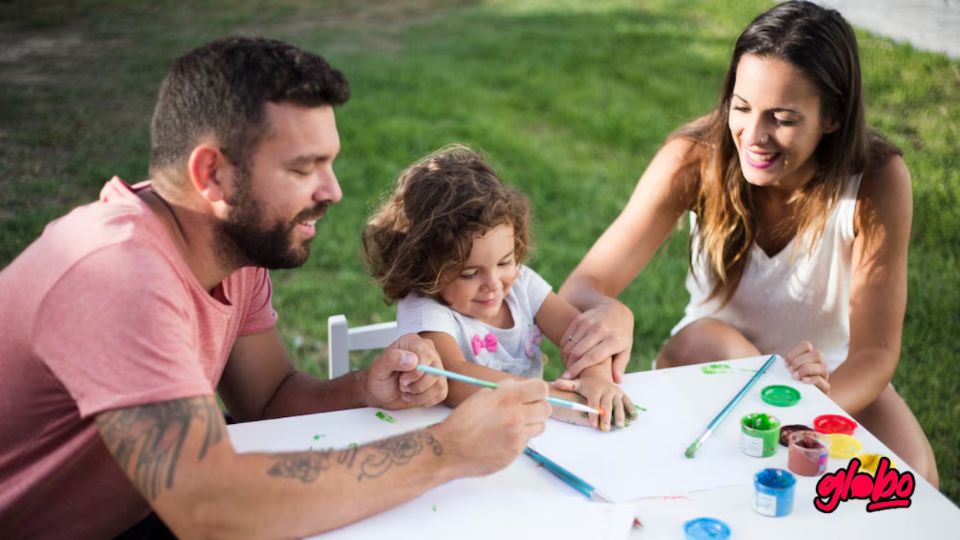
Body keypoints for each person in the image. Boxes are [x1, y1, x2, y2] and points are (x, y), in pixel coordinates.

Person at [0, 37, 552, 538]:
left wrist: (367, 387)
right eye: (304, 169)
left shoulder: (228, 248)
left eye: (329, 164)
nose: (333, 191)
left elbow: (267, 400)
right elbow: (212, 509)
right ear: (212, 174)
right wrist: (445, 450)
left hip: (142, 503)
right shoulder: (118, 275)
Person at [558, 0, 939, 485]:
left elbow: (875, 353)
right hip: (712, 357)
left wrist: (812, 404)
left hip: (825, 376)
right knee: (718, 343)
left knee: (917, 479)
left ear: (833, 116)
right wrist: (614, 312)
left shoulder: (877, 179)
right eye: (741, 108)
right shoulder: (694, 157)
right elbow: (582, 287)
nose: (753, 136)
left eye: (782, 118)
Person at [362, 145, 636, 432]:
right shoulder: (425, 308)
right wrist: (550, 398)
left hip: (521, 431)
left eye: (505, 262)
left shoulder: (521, 284)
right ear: (427, 271)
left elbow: (582, 336)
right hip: (455, 437)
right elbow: (453, 379)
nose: (493, 284)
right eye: (470, 274)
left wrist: (596, 377)